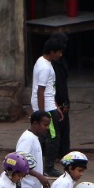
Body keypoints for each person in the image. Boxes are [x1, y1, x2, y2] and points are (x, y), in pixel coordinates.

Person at [31, 38, 64, 176]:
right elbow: (41, 90)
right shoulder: (45, 67)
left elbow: (50, 89)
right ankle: (48, 168)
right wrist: (42, 112)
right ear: (51, 52)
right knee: (53, 137)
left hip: (49, 105)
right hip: (46, 108)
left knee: (44, 137)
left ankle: (39, 164)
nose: (60, 55)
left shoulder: (43, 62)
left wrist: (56, 107)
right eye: (59, 52)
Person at [48, 33, 70, 174]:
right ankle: (52, 160)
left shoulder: (61, 62)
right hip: (56, 102)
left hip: (63, 100)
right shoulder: (49, 66)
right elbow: (49, 88)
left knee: (64, 129)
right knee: (54, 133)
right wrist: (56, 104)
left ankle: (63, 154)